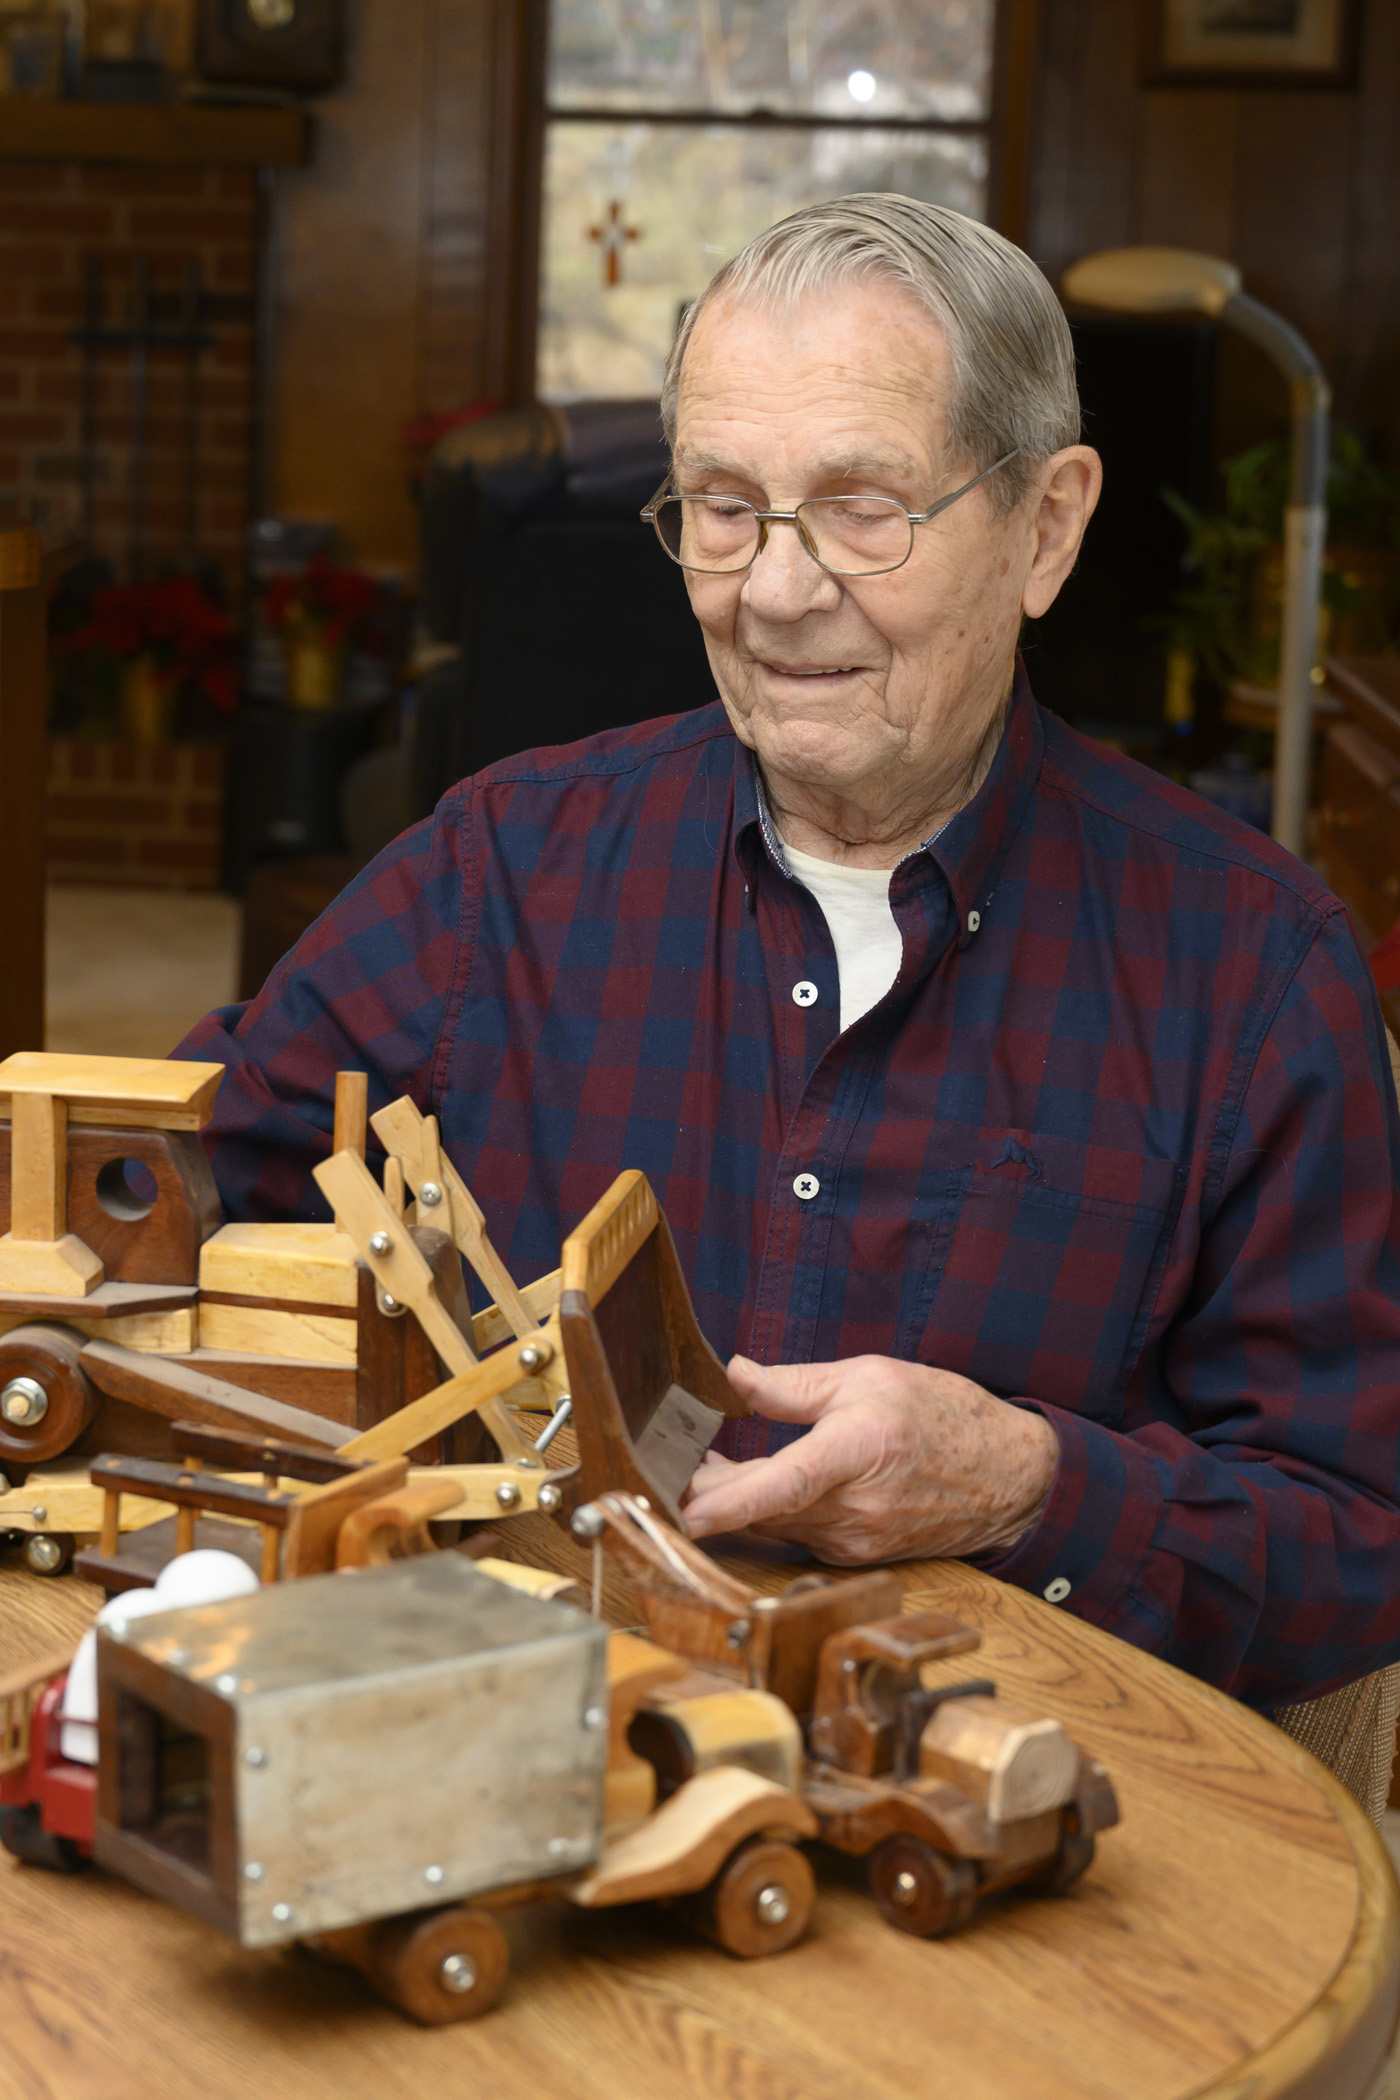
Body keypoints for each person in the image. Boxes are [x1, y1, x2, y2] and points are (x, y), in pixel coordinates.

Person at [177, 195, 1400, 1712]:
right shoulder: (502, 867)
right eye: (724, 503)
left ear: (1047, 527)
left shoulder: (1253, 969)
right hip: (532, 1769)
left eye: (863, 506)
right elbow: (172, 1185)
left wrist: (1029, 1485)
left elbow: (1359, 1533)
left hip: (1005, 1819)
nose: (772, 587)